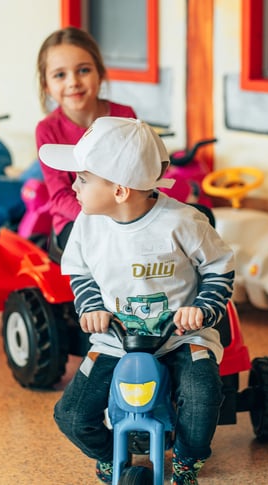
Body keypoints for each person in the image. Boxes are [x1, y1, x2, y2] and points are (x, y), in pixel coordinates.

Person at [39, 116, 235, 485]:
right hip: (115, 338)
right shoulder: (87, 224)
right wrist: (93, 307)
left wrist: (203, 309)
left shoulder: (182, 222)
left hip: (180, 336)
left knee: (203, 394)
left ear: (119, 190)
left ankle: (187, 459)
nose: (74, 186)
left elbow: (220, 268)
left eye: (83, 178)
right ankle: (109, 453)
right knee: (71, 415)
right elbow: (80, 272)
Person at [35, 26, 136, 250]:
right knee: (108, 246)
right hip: (76, 220)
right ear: (46, 85)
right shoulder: (47, 130)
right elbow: (60, 196)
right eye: (60, 75)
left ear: (100, 73)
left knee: (194, 218)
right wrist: (105, 218)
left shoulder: (125, 116)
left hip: (125, 211)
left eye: (83, 70)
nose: (73, 82)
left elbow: (137, 175)